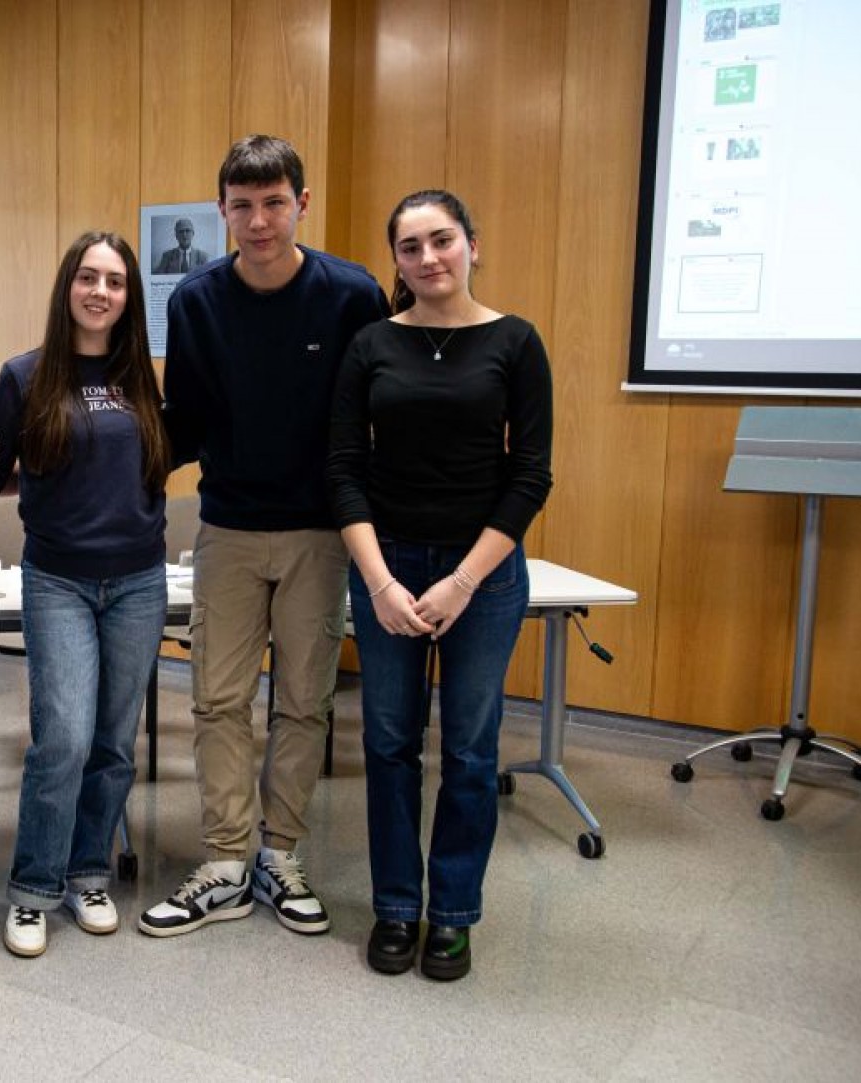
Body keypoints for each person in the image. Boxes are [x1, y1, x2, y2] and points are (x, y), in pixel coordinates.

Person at [139, 134, 389, 939]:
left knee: (305, 701)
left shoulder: (353, 294)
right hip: (230, 528)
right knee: (217, 699)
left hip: (321, 530)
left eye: (274, 203)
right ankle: (224, 860)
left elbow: (376, 415)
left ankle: (280, 852)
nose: (258, 221)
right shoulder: (195, 301)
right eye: (242, 206)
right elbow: (184, 422)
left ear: (301, 205)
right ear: (221, 211)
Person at [326, 189, 553, 981]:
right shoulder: (371, 345)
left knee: (468, 749)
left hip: (482, 575)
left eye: (442, 240)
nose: (428, 258)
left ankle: (452, 913)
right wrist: (380, 583)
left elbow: (530, 475)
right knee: (388, 744)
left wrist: (460, 581)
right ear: (396, 258)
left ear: (472, 245)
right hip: (387, 565)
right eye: (410, 246)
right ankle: (396, 905)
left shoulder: (515, 342)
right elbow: (343, 470)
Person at [0, 232, 172, 958]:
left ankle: (88, 873)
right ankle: (33, 887)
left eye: (115, 282)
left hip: (138, 580)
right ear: (68, 286)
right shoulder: (24, 376)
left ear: (129, 297)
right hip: (58, 578)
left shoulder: (139, 378)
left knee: (114, 742)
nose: (100, 292)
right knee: (61, 738)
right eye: (88, 277)